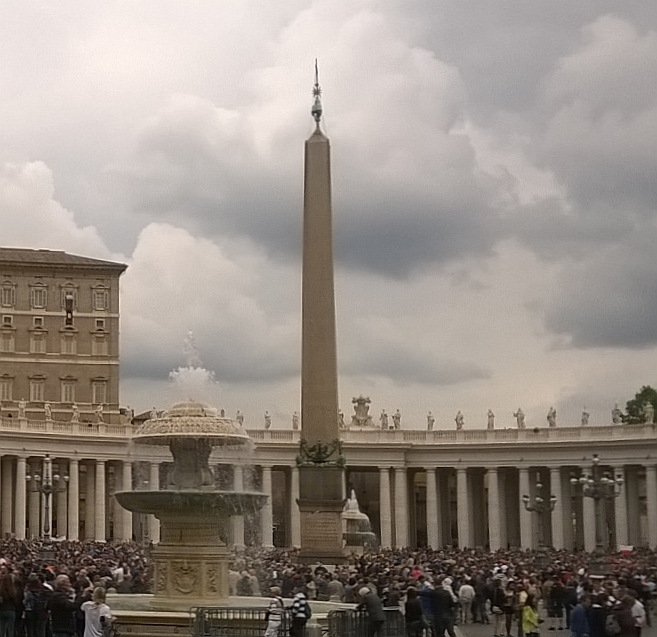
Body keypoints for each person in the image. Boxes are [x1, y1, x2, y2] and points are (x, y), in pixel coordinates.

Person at [0, 572, 20, 637]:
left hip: (2, 610)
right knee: (10, 629)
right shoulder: (13, 590)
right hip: (11, 610)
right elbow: (16, 602)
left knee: (1, 628)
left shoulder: (1, 590)